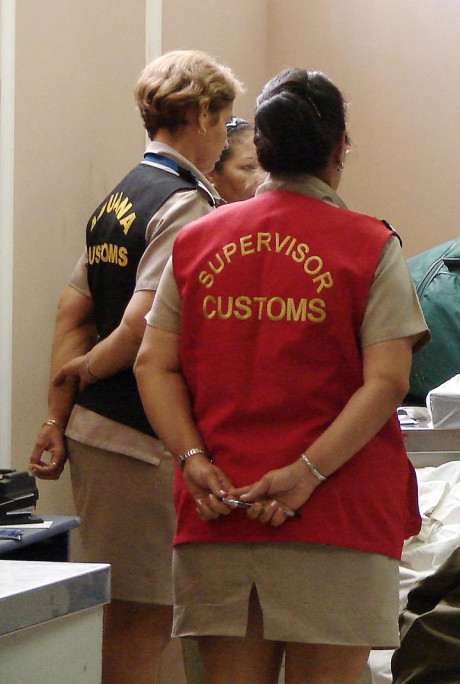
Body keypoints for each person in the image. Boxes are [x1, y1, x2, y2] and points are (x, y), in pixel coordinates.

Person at [134, 68, 429, 684]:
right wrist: (307, 472)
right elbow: (387, 381)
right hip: (336, 517)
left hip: (221, 510)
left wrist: (191, 458)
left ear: (260, 149)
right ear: (339, 146)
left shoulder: (197, 242)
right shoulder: (368, 245)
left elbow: (152, 365)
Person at [27, 50, 242, 683]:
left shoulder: (117, 199)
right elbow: (139, 327)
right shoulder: (181, 206)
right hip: (137, 439)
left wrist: (56, 413)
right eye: (225, 120)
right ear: (202, 113)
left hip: (98, 433)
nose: (225, 138)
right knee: (144, 622)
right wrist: (84, 373)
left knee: (136, 618)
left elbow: (73, 314)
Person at [209, 116, 266, 202]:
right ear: (211, 172)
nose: (264, 178)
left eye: (266, 165)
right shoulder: (194, 210)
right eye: (248, 168)